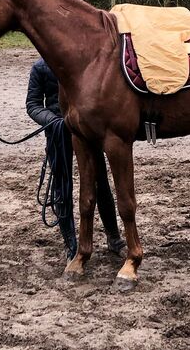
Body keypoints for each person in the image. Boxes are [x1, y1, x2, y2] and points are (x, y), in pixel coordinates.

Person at [26, 58, 126, 262]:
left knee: (100, 184)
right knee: (62, 187)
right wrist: (54, 121)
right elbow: (33, 104)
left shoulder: (84, 64)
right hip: (59, 133)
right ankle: (70, 243)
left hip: (86, 131)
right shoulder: (41, 68)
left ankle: (114, 238)